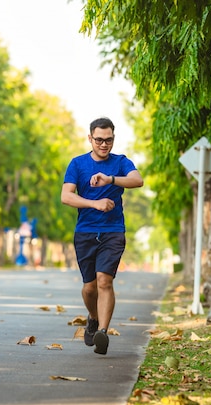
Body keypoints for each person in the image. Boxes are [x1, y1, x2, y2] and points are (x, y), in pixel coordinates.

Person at [61, 117, 144, 355]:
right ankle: (93, 318)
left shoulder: (120, 162)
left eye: (108, 140)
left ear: (113, 139)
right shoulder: (77, 164)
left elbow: (137, 180)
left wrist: (110, 179)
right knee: (89, 288)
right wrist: (94, 204)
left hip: (113, 231)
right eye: (99, 140)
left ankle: (103, 333)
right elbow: (66, 196)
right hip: (85, 232)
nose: (104, 144)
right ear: (90, 138)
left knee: (104, 281)